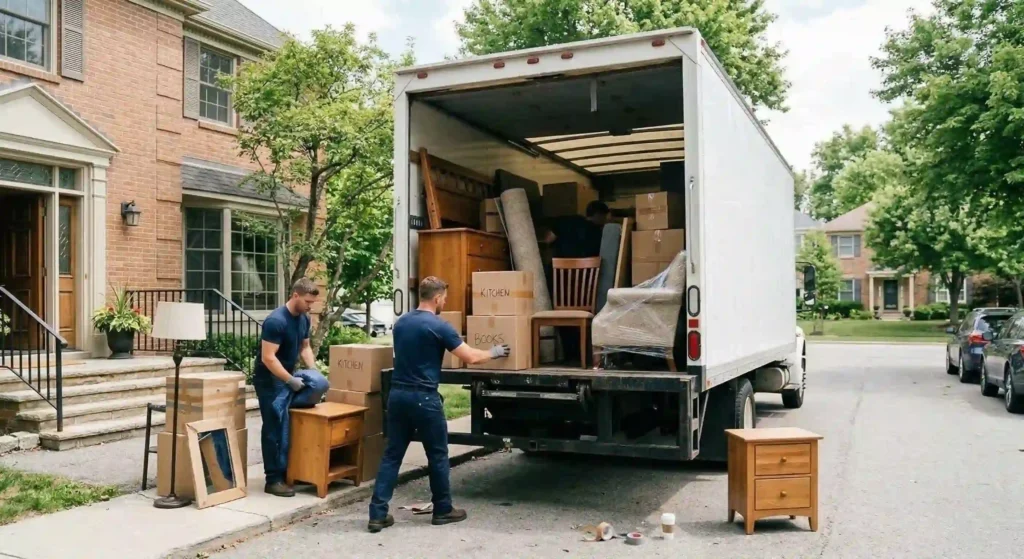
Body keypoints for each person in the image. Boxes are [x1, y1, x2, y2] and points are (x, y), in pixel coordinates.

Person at [367, 276, 511, 533]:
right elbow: (470, 357)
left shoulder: (401, 323)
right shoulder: (439, 326)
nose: (445, 302)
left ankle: (377, 514)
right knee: (437, 454)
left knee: (392, 455)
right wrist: (495, 352)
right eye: (444, 298)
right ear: (436, 298)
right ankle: (443, 509)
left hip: (398, 395)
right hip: (424, 398)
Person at [252, 277, 330, 498]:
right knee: (274, 426)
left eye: (312, 303)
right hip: (269, 380)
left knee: (292, 422)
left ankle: (291, 470)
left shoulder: (303, 319)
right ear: (295, 295)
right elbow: (268, 358)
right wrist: (289, 380)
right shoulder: (276, 321)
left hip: (288, 374)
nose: (309, 306)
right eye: (307, 301)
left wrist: (313, 370)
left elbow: (305, 347)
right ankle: (273, 479)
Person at [542, 200, 610, 259]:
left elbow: (548, 240)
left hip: (560, 270)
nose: (605, 220)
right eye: (605, 217)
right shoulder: (599, 233)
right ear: (599, 215)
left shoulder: (567, 221)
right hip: (586, 271)